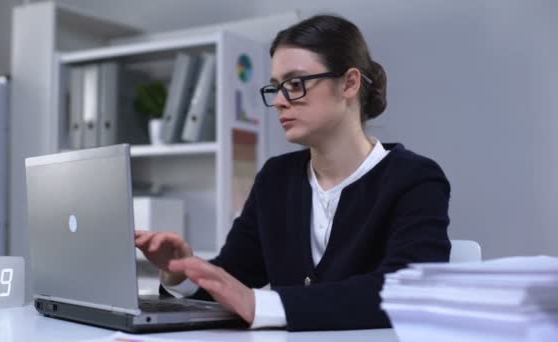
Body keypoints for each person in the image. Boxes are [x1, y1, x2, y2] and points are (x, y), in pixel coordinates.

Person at [135, 14, 450, 331]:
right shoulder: (275, 179)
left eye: (295, 84)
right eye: (276, 88)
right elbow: (234, 281)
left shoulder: (415, 178)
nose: (280, 102)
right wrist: (182, 273)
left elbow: (408, 292)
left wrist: (266, 304)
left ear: (349, 83)